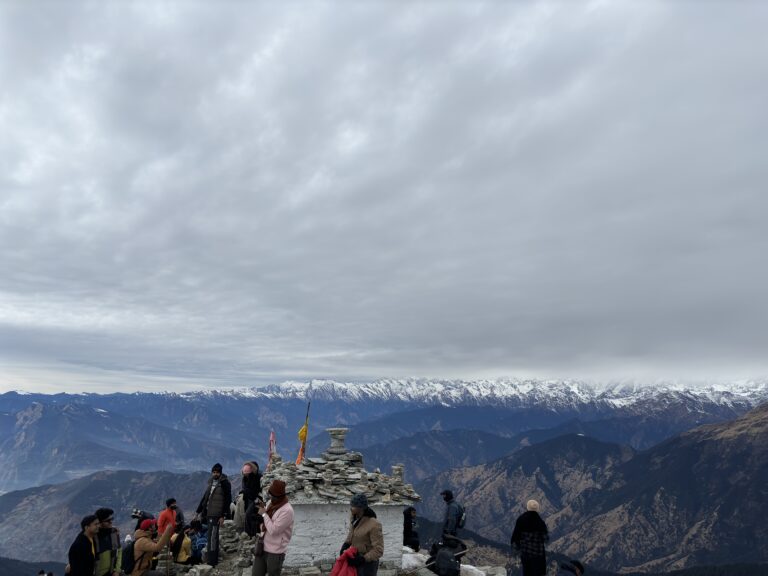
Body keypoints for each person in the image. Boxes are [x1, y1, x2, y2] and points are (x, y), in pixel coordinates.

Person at [252, 479, 295, 576]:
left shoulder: (287, 510)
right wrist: (262, 510)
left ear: (279, 496)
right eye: (270, 494)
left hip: (275, 551)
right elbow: (266, 523)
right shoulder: (271, 504)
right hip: (262, 546)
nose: (271, 497)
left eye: (273, 496)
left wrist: (264, 514)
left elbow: (274, 530)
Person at [195, 462, 232, 567]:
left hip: (217, 514)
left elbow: (228, 499)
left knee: (213, 537)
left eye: (217, 472)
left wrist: (223, 515)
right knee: (210, 536)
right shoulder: (211, 483)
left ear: (220, 473)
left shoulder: (224, 483)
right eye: (214, 472)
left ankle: (212, 561)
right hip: (209, 513)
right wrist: (198, 511)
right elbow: (205, 498)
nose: (215, 474)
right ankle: (210, 558)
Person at [343, 493, 384, 576]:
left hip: (368, 564)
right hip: (356, 559)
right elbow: (352, 533)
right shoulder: (354, 518)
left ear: (360, 508)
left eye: (353, 506)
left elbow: (378, 550)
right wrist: (346, 545)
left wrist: (362, 559)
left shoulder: (374, 524)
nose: (351, 508)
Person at [511, 500, 549, 576]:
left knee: (527, 572)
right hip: (538, 554)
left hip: (525, 552)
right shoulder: (540, 522)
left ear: (527, 507)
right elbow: (546, 538)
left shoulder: (521, 519)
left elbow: (515, 536)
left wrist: (517, 549)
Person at [94, 507, 122, 576]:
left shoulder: (114, 533)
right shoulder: (93, 537)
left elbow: (119, 551)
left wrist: (117, 570)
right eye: (108, 520)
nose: (111, 522)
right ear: (99, 523)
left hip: (111, 573)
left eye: (111, 519)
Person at [242, 461, 263, 536]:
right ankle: (249, 534)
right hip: (249, 499)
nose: (246, 475)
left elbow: (260, 490)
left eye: (247, 474)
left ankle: (250, 534)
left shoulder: (258, 478)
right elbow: (245, 489)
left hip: (256, 500)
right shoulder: (245, 479)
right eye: (245, 474)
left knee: (249, 515)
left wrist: (257, 500)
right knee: (248, 515)